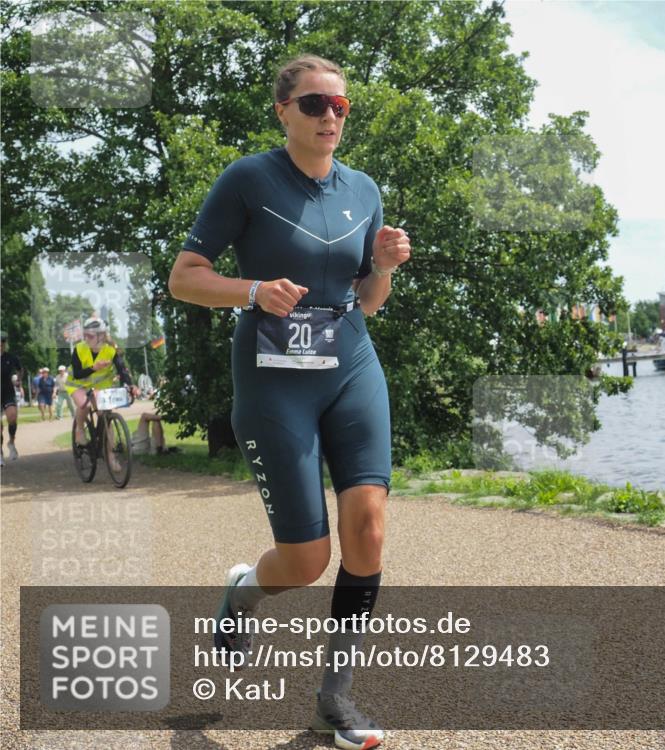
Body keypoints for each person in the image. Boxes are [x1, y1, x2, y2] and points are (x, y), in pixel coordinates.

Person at [168, 53, 410, 749]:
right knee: (305, 561)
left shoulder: (363, 189)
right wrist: (252, 291)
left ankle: (335, 698)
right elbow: (184, 277)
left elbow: (368, 300)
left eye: (340, 105)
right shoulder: (249, 179)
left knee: (368, 530)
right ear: (282, 111)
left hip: (351, 364)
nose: (329, 115)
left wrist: (384, 268)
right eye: (313, 104)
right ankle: (242, 593)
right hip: (274, 380)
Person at [65, 318, 139, 452]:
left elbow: (122, 370)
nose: (86, 338)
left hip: (99, 387)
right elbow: (77, 374)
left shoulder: (110, 350)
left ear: (101, 336)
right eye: (85, 335)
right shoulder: (79, 348)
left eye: (90, 336)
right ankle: (79, 430)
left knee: (104, 415)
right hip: (77, 384)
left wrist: (130, 385)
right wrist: (94, 368)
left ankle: (110, 456)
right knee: (85, 405)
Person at [1, 331, 23, 464]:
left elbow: (20, 369)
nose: (0, 344)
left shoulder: (11, 357)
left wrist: (19, 380)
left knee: (12, 416)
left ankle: (11, 442)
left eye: (3, 341)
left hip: (8, 391)